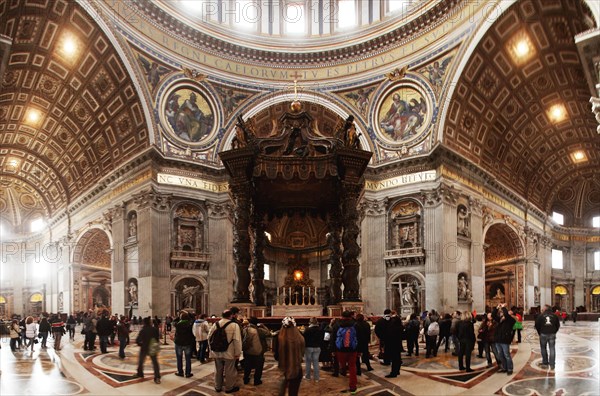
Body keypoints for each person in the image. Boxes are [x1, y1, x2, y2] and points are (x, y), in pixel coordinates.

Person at [208, 309, 242, 393]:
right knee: (230, 370)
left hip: (216, 351)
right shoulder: (234, 325)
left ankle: (218, 386)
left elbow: (209, 337)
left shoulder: (215, 324)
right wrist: (238, 353)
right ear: (231, 316)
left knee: (218, 369)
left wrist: (211, 350)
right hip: (229, 352)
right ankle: (229, 388)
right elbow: (237, 340)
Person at [274, 316, 305, 396]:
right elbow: (302, 353)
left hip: (284, 368)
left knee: (281, 391)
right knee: (294, 392)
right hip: (297, 368)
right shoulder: (300, 337)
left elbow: (276, 356)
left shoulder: (279, 337)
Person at [242, 316, 270, 386]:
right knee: (259, 367)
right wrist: (263, 326)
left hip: (247, 351)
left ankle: (245, 379)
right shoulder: (259, 330)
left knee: (247, 366)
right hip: (257, 351)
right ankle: (256, 380)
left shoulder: (245, 329)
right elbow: (268, 333)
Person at [335, 311, 358, 392]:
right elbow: (358, 337)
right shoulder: (355, 324)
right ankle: (353, 386)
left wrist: (332, 350)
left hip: (340, 349)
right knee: (352, 367)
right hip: (352, 349)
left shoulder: (337, 324)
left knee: (342, 364)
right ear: (351, 316)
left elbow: (333, 337)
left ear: (342, 316)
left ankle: (343, 370)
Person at [535, 304, 560, 370]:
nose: (542, 309)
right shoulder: (554, 315)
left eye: (543, 308)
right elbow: (558, 325)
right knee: (552, 349)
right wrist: (554, 332)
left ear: (546, 309)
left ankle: (545, 363)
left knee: (543, 348)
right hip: (552, 334)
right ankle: (552, 365)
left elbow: (537, 325)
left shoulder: (541, 316)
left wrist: (539, 333)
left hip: (543, 333)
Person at [136, 316, 161, 383]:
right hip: (152, 347)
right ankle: (157, 377)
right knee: (155, 363)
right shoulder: (154, 329)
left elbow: (138, 340)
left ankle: (140, 373)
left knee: (141, 361)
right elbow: (157, 339)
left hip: (144, 348)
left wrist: (140, 344)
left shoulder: (143, 330)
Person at [493, 303, 516, 375]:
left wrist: (503, 307)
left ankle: (510, 368)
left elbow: (506, 315)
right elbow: (493, 315)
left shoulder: (510, 320)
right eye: (501, 313)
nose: (501, 314)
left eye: (502, 313)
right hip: (498, 339)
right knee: (500, 355)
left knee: (507, 355)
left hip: (505, 340)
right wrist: (497, 308)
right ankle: (504, 367)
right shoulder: (499, 320)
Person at [173, 311, 195, 378]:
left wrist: (179, 315)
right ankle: (188, 373)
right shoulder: (190, 324)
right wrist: (188, 313)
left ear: (180, 318)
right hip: (187, 343)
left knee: (179, 358)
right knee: (188, 359)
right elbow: (193, 318)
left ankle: (180, 372)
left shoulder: (177, 324)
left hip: (178, 343)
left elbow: (174, 321)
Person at [302, 317, 323, 382]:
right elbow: (322, 339)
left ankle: (308, 377)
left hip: (308, 347)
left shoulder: (307, 329)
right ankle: (317, 378)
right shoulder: (320, 329)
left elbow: (304, 339)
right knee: (316, 363)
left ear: (310, 322)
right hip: (317, 347)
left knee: (308, 362)